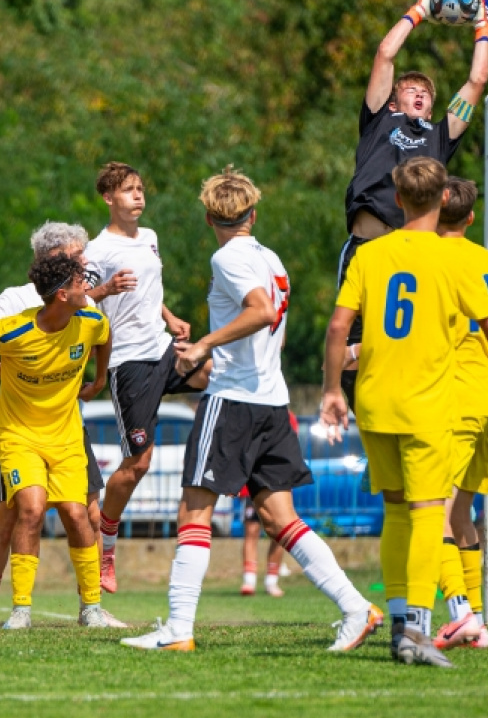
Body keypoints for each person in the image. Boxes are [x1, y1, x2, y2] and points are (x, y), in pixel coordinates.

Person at [122, 166, 381, 653]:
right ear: (252, 213)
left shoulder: (229, 258)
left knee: (194, 511)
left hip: (235, 400)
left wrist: (203, 345)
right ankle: (356, 607)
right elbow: (272, 318)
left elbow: (260, 310)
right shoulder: (270, 255)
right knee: (279, 515)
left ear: (208, 218)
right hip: (270, 399)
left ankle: (178, 629)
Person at [321, 157, 488, 667]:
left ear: (397, 199)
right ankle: (416, 631)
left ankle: (398, 622)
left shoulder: (371, 255)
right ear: (441, 200)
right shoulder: (453, 259)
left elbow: (336, 327)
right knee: (425, 514)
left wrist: (332, 390)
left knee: (394, 512)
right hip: (427, 404)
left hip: (374, 399)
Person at [0, 221, 126, 629]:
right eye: (77, 256)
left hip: (68, 427)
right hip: (20, 431)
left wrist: (99, 377)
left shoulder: (82, 303)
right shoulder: (15, 300)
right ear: (55, 260)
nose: (84, 263)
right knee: (17, 515)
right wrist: (3, 371)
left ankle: (90, 607)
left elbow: (98, 333)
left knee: (81, 513)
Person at [339, 0, 488, 409]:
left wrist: (482, 19)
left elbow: (478, 79)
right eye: (411, 88)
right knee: (351, 360)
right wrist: (421, 7)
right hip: (366, 249)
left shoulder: (440, 137)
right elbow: (386, 53)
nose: (420, 92)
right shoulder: (377, 122)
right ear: (392, 100)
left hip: (411, 255)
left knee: (409, 352)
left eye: (427, 91)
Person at [83, 162, 210, 593]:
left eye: (140, 189)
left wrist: (171, 317)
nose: (138, 196)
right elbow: (76, 300)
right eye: (128, 191)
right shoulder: (96, 250)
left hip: (161, 346)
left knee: (212, 372)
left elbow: (150, 293)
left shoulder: (151, 238)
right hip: (128, 362)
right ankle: (106, 543)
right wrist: (104, 291)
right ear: (108, 199)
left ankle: (211, 465)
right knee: (138, 464)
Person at [431, 176, 488, 650]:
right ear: (471, 218)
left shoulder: (430, 260)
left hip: (456, 397)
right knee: (464, 511)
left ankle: (460, 611)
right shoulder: (484, 259)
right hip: (484, 395)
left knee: (436, 513)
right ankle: (478, 620)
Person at [240, 495, 286, 597]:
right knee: (251, 531)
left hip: (278, 488)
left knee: (278, 533)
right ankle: (249, 581)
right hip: (253, 488)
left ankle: (271, 582)